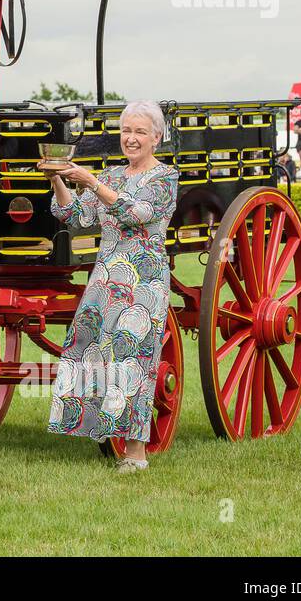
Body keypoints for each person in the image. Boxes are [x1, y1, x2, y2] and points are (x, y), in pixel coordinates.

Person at [41, 101, 180, 473]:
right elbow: (77, 216)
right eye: (126, 131)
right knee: (92, 353)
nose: (131, 139)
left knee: (131, 359)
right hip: (104, 280)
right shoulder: (113, 175)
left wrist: (93, 183)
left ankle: (136, 454)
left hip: (142, 282)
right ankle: (94, 429)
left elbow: (137, 215)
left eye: (139, 132)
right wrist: (56, 177)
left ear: (156, 137)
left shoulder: (165, 177)